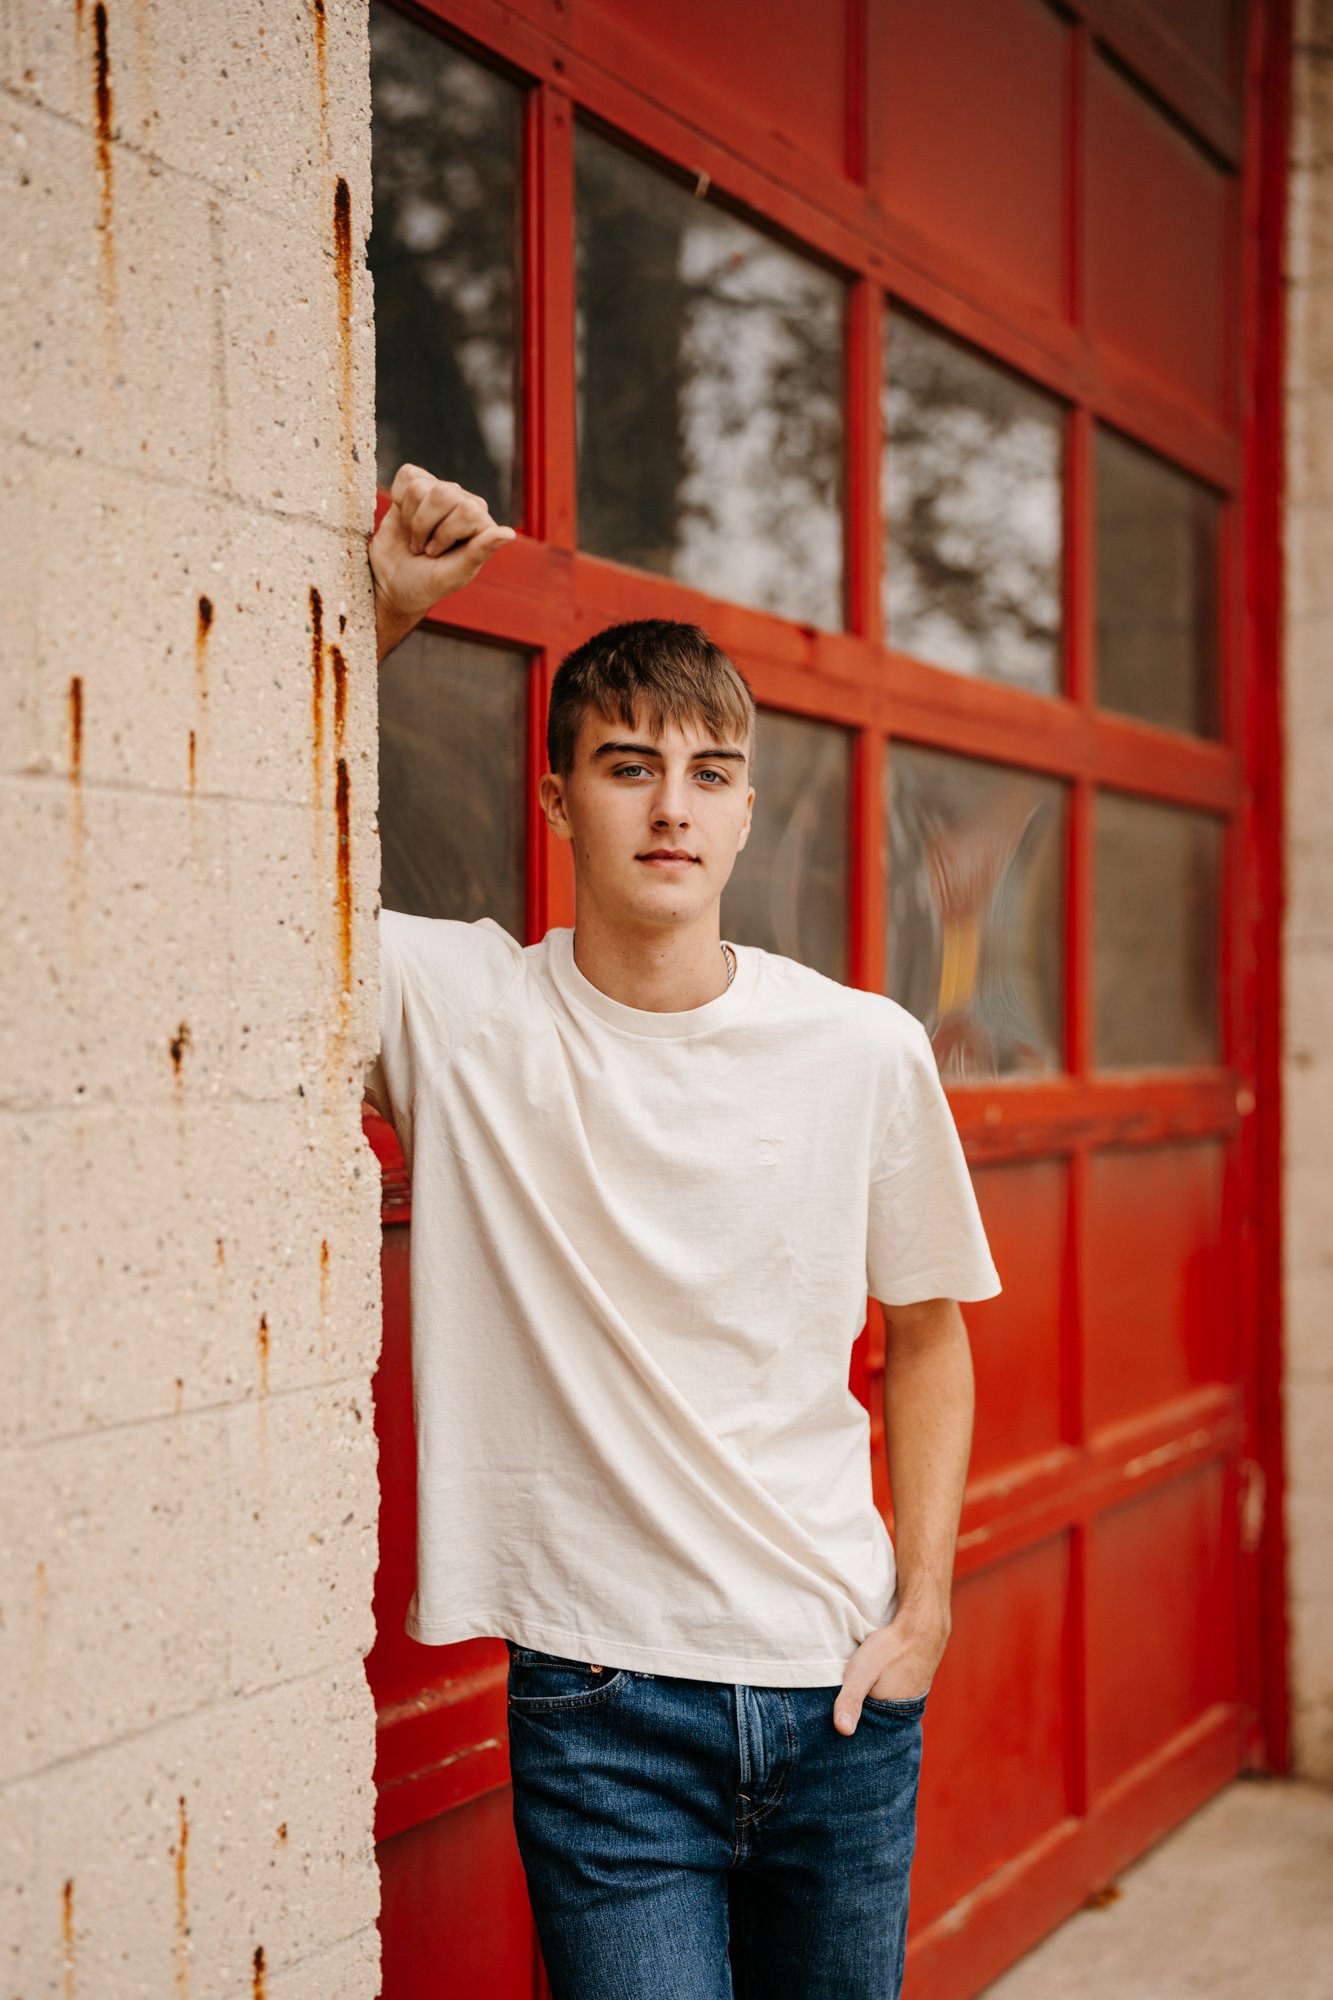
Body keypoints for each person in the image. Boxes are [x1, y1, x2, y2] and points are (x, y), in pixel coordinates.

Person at [364, 465, 1002, 2000]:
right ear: (556, 796)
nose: (670, 805)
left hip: (838, 1695)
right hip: (602, 1710)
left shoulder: (861, 1047)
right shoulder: (459, 1009)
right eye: (628, 765)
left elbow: (924, 1334)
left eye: (709, 773)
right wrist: (380, 614)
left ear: (744, 811)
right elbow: (257, 849)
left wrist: (922, 1611)